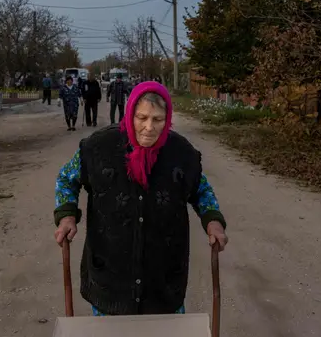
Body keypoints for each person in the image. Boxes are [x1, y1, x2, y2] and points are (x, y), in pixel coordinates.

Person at [54, 81, 228, 316]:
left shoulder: (181, 153)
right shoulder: (98, 147)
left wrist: (212, 220)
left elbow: (201, 189)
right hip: (110, 277)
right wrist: (67, 216)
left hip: (164, 280)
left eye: (158, 119)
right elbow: (67, 178)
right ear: (130, 113)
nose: (149, 127)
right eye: (141, 117)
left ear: (167, 119)